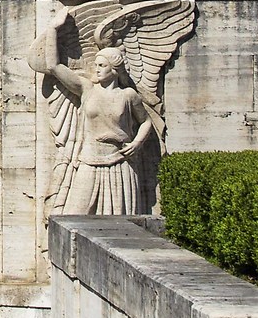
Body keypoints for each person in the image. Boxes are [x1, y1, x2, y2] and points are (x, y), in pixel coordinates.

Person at [27, 14, 160, 216]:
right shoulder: (87, 89)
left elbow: (146, 121)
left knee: (121, 222)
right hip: (90, 160)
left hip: (121, 163)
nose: (96, 69)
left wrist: (136, 144)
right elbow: (54, 67)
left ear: (115, 69)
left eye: (102, 66)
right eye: (96, 65)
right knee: (75, 215)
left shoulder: (128, 95)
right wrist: (53, 29)